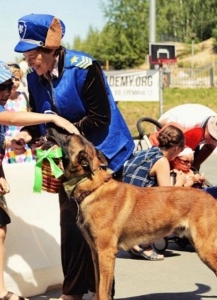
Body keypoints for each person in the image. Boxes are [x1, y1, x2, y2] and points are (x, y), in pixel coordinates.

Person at [13, 14, 135, 300]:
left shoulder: (84, 67)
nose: (29, 61)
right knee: (70, 225)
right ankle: (73, 292)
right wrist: (26, 136)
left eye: (33, 54)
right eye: (25, 55)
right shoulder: (33, 77)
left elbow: (100, 117)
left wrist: (61, 128)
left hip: (101, 155)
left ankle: (102, 293)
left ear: (51, 48)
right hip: (66, 161)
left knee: (99, 231)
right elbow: (37, 121)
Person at [0, 59, 79, 300]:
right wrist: (51, 118)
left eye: (10, 86)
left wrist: (8, 152)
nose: (6, 92)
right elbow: (12, 119)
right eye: (0, 87)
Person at [122, 125, 187, 260]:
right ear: (176, 148)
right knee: (174, 218)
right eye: (181, 149)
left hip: (124, 206)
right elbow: (168, 196)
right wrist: (181, 182)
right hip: (136, 212)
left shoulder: (144, 153)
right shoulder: (161, 161)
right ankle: (141, 244)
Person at [170, 147, 217, 228]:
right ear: (175, 160)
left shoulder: (191, 171)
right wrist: (192, 181)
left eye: (191, 162)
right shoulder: (175, 173)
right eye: (185, 161)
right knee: (216, 192)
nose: (189, 164)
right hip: (189, 197)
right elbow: (177, 191)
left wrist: (200, 181)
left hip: (197, 194)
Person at [149, 104, 217, 170]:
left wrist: (193, 168)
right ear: (209, 126)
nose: (213, 141)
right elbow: (162, 125)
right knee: (173, 165)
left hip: (192, 137)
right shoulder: (189, 121)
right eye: (213, 137)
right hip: (168, 130)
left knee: (189, 166)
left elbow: (209, 147)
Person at [3, 63, 34, 164]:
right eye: (12, 79)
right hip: (8, 143)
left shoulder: (24, 96)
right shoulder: (2, 100)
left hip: (23, 142)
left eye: (17, 79)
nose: (15, 83)